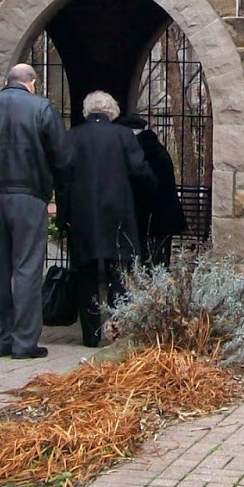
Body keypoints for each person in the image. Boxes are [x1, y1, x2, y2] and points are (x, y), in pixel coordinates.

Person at [0, 63, 67, 360]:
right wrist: (49, 187)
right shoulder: (42, 108)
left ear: (8, 81)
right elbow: (61, 157)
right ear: (31, 82)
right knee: (27, 268)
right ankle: (24, 342)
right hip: (29, 197)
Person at [60, 91, 155, 347]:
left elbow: (63, 178)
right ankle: (118, 329)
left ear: (86, 111)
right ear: (112, 111)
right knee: (119, 272)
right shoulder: (123, 136)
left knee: (86, 273)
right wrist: (146, 198)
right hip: (118, 212)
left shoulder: (73, 137)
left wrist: (64, 215)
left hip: (84, 214)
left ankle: (90, 334)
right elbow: (139, 171)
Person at [116, 113, 188, 267]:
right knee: (157, 261)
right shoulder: (153, 147)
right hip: (162, 216)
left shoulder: (141, 150)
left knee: (149, 261)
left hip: (150, 217)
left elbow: (143, 185)